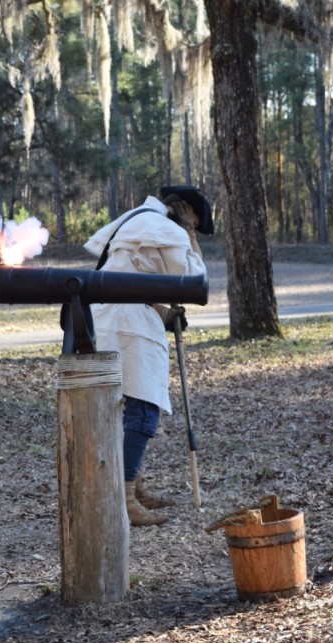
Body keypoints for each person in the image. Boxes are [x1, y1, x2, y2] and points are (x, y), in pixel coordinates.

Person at [83, 185, 212, 526]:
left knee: (126, 409)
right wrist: (186, 233)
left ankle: (132, 485)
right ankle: (123, 499)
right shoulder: (167, 229)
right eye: (195, 222)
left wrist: (162, 311)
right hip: (129, 325)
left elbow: (133, 279)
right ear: (184, 211)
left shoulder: (134, 222)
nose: (193, 229)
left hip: (109, 320)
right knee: (142, 411)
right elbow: (195, 281)